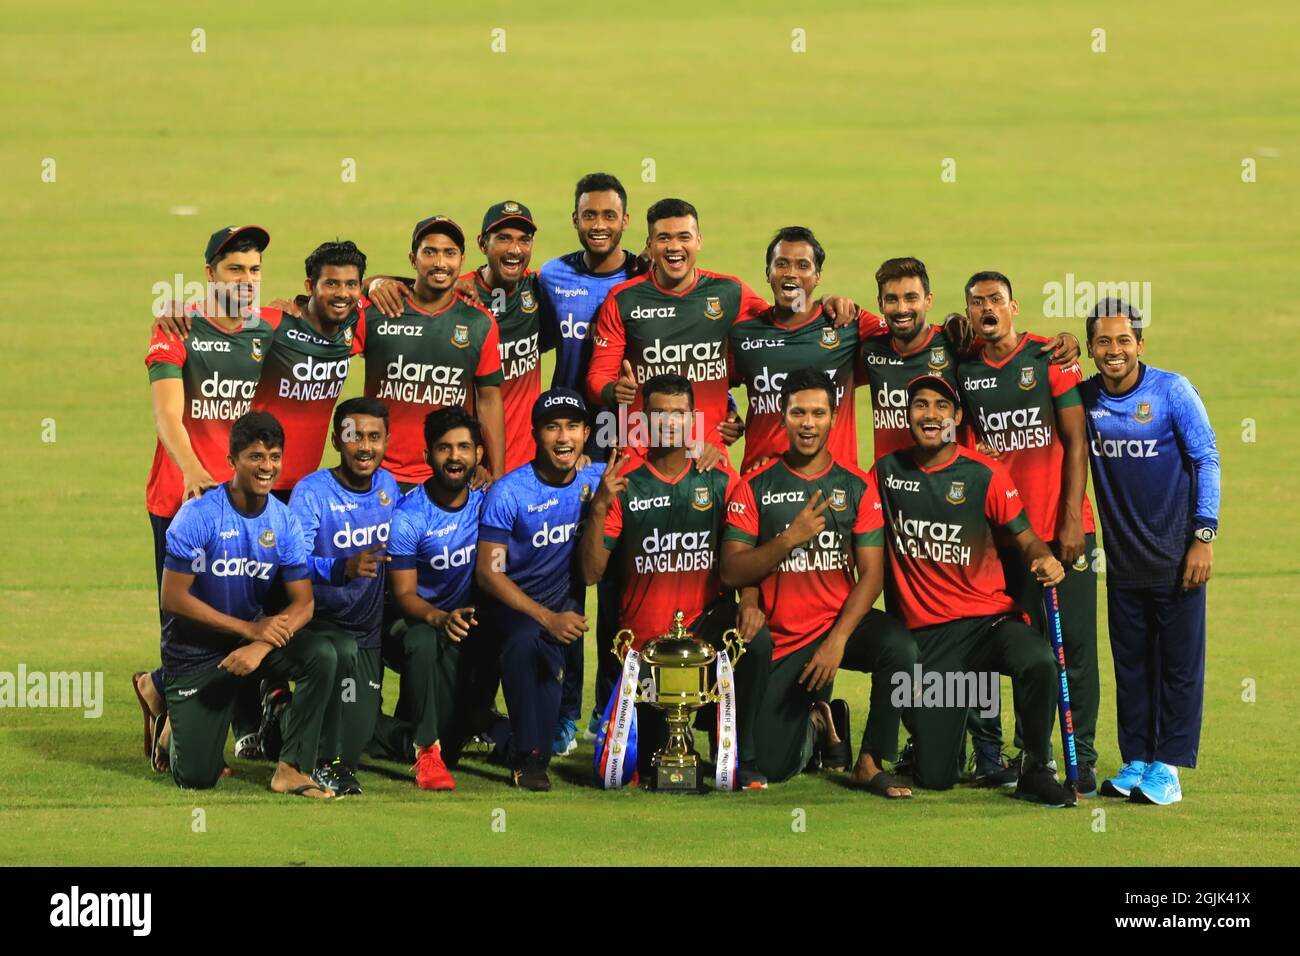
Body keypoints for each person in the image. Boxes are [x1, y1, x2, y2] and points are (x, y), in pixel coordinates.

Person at [871, 375, 1074, 806]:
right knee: (937, 777)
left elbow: (1026, 538)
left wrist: (1044, 557)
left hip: (988, 626)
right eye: (920, 405)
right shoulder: (886, 473)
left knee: (1037, 661)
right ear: (906, 415)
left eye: (942, 407)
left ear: (957, 416)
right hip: (928, 638)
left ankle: (1035, 768)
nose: (930, 415)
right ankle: (940, 737)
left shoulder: (986, 473)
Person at [721, 368, 916, 795]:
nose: (808, 423)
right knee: (771, 764)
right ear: (782, 416)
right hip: (784, 634)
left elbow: (873, 576)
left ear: (833, 416)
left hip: (837, 624)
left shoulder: (856, 487)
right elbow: (733, 571)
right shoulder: (754, 485)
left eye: (817, 413)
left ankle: (869, 761)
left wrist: (838, 639)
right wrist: (790, 538)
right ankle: (820, 721)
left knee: (900, 647)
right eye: (798, 413)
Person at [136, 225, 282, 771]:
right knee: (187, 619)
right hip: (181, 499)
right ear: (210, 274)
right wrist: (196, 472)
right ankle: (182, 724)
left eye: (254, 270)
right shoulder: (176, 327)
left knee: (236, 612)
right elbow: (167, 415)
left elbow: (337, 305)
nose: (246, 281)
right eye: (234, 269)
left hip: (246, 502)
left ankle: (160, 692)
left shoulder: (269, 325)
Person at [578, 373, 770, 787]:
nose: (669, 423)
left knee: (756, 641)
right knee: (644, 769)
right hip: (645, 654)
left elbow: (743, 552)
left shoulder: (719, 476)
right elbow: (592, 573)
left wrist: (750, 602)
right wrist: (599, 507)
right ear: (643, 419)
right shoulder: (625, 481)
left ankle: (741, 757)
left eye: (679, 415)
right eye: (659, 415)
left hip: (705, 630)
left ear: (693, 419)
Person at [955, 270, 1100, 793]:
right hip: (1000, 541)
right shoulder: (963, 367)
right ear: (969, 313)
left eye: (995, 300)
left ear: (1014, 307)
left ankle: (1081, 758)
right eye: (976, 303)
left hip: (1063, 530)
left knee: (1075, 650)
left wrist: (1069, 519)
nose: (987, 308)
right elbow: (958, 443)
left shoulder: (1048, 359)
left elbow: (1076, 441)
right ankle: (1022, 755)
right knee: (1013, 649)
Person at [1081, 299, 1219, 806]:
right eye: (1103, 341)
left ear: (1140, 343)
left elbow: (1207, 458)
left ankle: (1169, 767)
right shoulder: (1086, 398)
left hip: (1178, 559)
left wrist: (1204, 538)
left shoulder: (1171, 391)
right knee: (1132, 665)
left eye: (1123, 341)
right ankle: (1137, 758)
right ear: (1092, 348)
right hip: (1122, 565)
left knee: (1178, 667)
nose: (1113, 351)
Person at [157, 411, 337, 797]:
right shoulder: (199, 514)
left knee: (322, 654)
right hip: (194, 655)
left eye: (274, 457)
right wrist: (248, 630)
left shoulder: (283, 521)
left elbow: (303, 603)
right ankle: (170, 722)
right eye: (256, 457)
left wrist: (260, 644)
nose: (267, 467)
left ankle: (291, 768)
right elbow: (172, 598)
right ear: (232, 462)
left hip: (247, 647)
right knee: (196, 778)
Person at [537, 172, 648, 743]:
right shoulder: (551, 277)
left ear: (626, 221)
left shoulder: (651, 276)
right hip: (567, 454)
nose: (599, 225)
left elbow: (696, 343)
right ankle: (564, 714)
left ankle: (615, 714)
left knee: (621, 588)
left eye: (609, 215)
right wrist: (389, 280)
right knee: (568, 586)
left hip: (631, 453)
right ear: (575, 219)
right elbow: (480, 293)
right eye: (589, 215)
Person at [475, 388, 606, 790]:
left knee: (546, 736)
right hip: (510, 615)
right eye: (552, 427)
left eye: (571, 427)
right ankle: (524, 761)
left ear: (586, 433)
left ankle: (497, 731)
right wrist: (545, 616)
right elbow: (488, 573)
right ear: (535, 433)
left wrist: (705, 446)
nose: (563, 438)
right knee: (526, 640)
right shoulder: (509, 493)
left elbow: (658, 460)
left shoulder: (597, 479)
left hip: (559, 619)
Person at [287, 397, 398, 796]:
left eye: (373, 437)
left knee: (355, 742)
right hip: (318, 624)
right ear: (337, 440)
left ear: (387, 441)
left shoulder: (388, 486)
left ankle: (284, 716)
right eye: (353, 436)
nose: (364, 446)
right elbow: (293, 563)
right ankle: (307, 754)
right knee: (336, 754)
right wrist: (340, 567)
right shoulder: (312, 492)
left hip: (366, 631)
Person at [373, 407, 487, 791]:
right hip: (407, 627)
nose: (454, 457)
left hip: (458, 630)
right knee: (423, 637)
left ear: (478, 455)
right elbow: (403, 595)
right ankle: (424, 752)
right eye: (443, 448)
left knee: (452, 746)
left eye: (463, 448)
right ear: (427, 456)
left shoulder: (485, 505)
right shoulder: (409, 516)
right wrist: (439, 617)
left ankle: (385, 731)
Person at [359, 216, 507, 489]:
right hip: (380, 474)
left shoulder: (480, 322)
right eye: (429, 252)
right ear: (413, 259)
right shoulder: (379, 311)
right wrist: (372, 284)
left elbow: (489, 399)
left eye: (449, 253)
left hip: (450, 473)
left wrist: (497, 474)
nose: (440, 263)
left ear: (462, 260)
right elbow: (331, 323)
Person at [729, 227, 888, 474]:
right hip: (763, 483)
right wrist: (728, 410)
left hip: (835, 485)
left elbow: (910, 339)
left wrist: (954, 323)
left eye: (803, 265)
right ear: (767, 273)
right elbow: (707, 378)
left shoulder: (847, 324)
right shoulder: (744, 333)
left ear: (817, 277)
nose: (791, 273)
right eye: (781, 264)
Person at [250, 241, 368, 497]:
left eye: (351, 284)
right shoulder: (276, 322)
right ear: (309, 286)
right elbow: (218, 323)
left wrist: (382, 281)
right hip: (256, 479)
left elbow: (404, 290)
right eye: (331, 283)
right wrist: (175, 314)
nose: (342, 293)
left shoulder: (355, 321)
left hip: (305, 487)